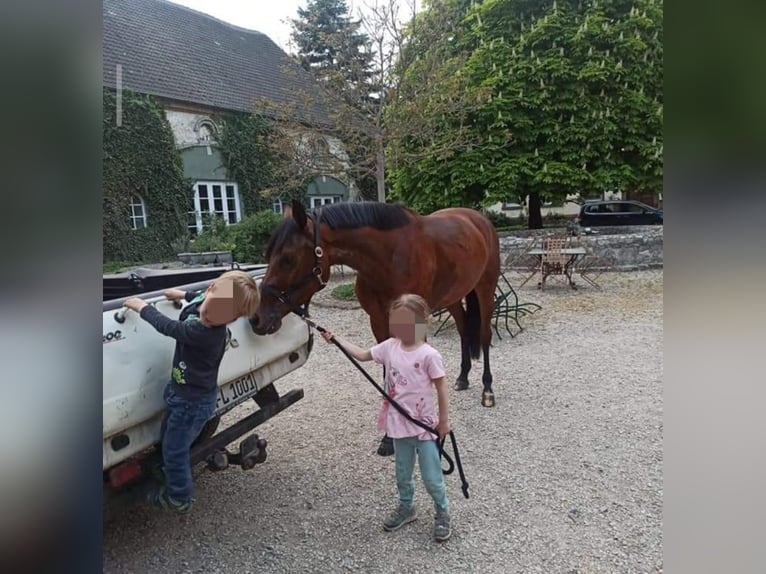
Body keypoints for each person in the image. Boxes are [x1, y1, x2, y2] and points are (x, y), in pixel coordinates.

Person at [123, 270, 260, 513]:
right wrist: (181, 294)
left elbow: (168, 326)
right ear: (210, 291)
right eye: (207, 309)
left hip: (192, 403)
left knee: (176, 450)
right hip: (182, 393)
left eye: (217, 317)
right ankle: (165, 465)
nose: (207, 316)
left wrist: (141, 306)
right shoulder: (207, 301)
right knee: (167, 437)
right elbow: (196, 298)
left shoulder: (205, 333)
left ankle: (180, 496)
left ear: (232, 318)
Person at [321, 293, 452, 542]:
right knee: (402, 473)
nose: (400, 327)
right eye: (396, 322)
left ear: (421, 321)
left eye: (406, 322)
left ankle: (442, 510)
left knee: (432, 477)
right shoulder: (390, 347)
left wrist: (444, 421)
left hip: (424, 428)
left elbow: (442, 387)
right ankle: (407, 507)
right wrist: (336, 338)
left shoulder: (429, 355)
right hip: (398, 426)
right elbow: (361, 354)